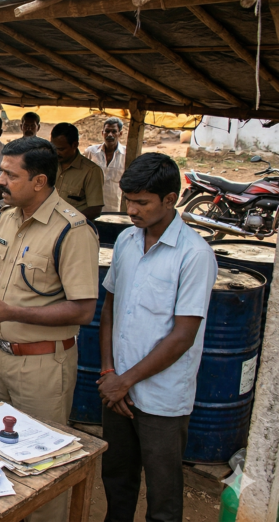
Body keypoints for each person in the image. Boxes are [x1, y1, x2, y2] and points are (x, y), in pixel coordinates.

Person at [0, 136, 99, 522]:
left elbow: (83, 309)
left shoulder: (72, 231)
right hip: (1, 357)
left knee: (43, 462)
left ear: (40, 181)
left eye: (10, 174)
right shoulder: (8, 216)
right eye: (1, 173)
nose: (0, 182)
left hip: (43, 366)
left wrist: (13, 313)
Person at [98, 153, 217, 522]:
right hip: (117, 385)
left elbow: (183, 335)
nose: (132, 210)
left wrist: (125, 382)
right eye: (128, 200)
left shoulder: (195, 255)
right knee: (117, 479)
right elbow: (109, 310)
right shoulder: (126, 242)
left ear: (171, 199)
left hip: (161, 397)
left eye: (142, 202)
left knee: (163, 495)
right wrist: (108, 373)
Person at [50, 122, 105, 221]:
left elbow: (95, 209)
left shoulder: (91, 171)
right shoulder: (49, 165)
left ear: (75, 145)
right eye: (54, 148)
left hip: (74, 229)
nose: (56, 152)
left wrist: (67, 221)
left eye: (61, 149)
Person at [85, 116, 126, 212]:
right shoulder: (91, 152)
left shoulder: (127, 155)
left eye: (114, 131)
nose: (110, 135)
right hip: (92, 206)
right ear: (102, 133)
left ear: (120, 134)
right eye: (107, 131)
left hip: (115, 208)